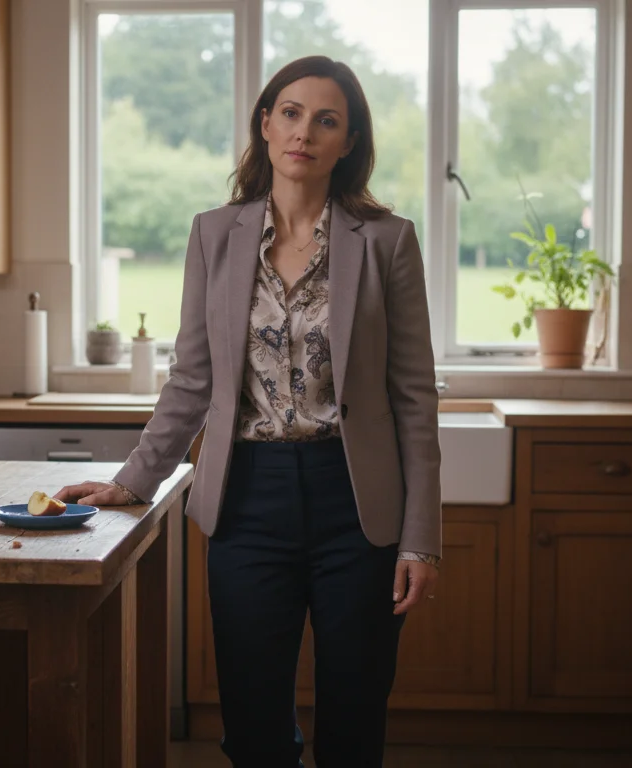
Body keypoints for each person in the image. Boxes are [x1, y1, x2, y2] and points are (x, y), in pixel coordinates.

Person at [56, 55, 441, 766]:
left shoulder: (387, 241)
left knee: (354, 718)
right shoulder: (215, 235)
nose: (305, 132)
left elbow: (414, 398)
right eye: (291, 113)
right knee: (254, 723)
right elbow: (192, 380)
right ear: (265, 124)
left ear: (348, 141)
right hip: (246, 500)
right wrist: (134, 480)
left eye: (327, 120)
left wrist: (420, 538)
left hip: (357, 506)